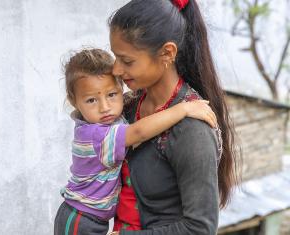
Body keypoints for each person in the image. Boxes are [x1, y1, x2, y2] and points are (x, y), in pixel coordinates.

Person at [108, 0, 239, 234]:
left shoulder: (192, 130)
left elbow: (200, 228)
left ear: (167, 53)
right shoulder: (128, 109)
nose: (116, 70)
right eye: (115, 58)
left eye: (127, 61)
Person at [54, 48, 217, 235]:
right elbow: (138, 132)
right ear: (74, 102)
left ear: (120, 89)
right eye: (91, 100)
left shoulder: (112, 119)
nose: (105, 107)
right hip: (80, 219)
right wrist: (183, 110)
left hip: (92, 218)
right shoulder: (96, 135)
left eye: (112, 95)